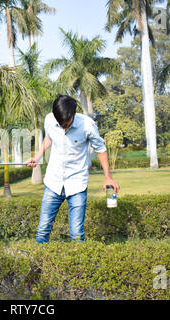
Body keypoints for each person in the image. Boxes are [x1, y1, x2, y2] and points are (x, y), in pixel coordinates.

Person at [26, 94, 119, 243]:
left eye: (67, 123)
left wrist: (108, 177)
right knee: (43, 229)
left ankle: (77, 266)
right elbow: (49, 137)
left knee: (76, 234)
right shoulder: (50, 119)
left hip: (77, 183)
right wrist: (37, 157)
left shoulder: (87, 125)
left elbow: (100, 148)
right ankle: (37, 265)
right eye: (60, 123)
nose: (63, 126)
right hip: (53, 182)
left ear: (74, 113)